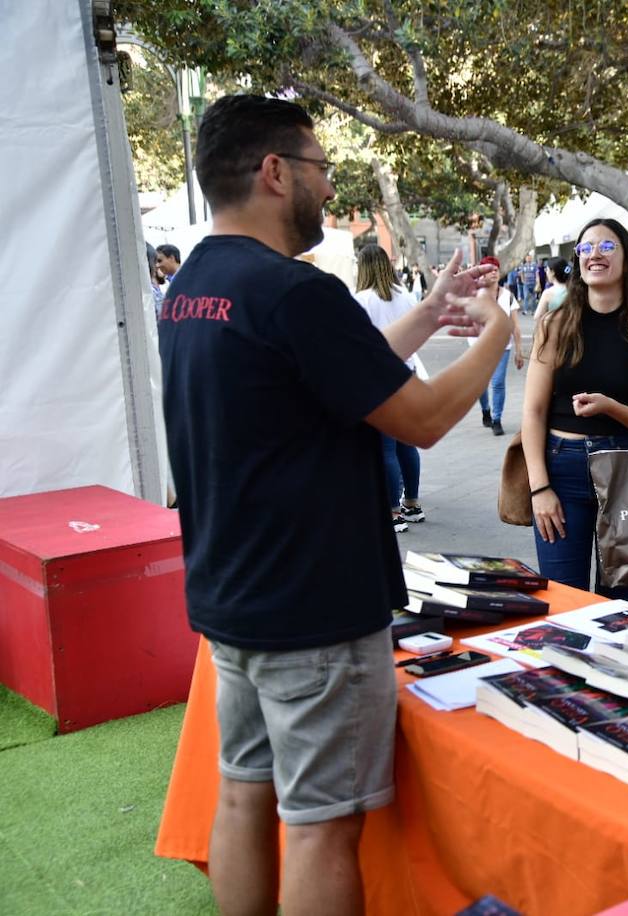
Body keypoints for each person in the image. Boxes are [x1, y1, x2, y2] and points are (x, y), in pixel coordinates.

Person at [158, 94, 510, 916]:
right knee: (322, 826)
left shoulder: (195, 285)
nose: (327, 187)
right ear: (275, 173)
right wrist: (497, 336)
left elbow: (337, 376)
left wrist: (429, 313)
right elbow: (417, 420)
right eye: (321, 169)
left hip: (233, 601)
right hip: (312, 612)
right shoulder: (292, 291)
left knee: (246, 794)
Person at [521, 218, 628, 602]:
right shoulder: (555, 326)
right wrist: (539, 487)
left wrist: (611, 408)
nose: (595, 254)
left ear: (627, 259)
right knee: (562, 601)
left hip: (625, 470)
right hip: (562, 468)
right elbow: (534, 413)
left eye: (607, 247)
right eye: (586, 248)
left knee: (619, 607)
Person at [353, 244, 426, 531]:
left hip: (377, 379)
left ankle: (393, 511)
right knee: (407, 445)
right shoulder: (405, 296)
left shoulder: (360, 300)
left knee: (385, 448)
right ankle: (413, 503)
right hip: (406, 375)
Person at [470, 258, 524, 436]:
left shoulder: (508, 296)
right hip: (480, 347)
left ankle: (496, 419)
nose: (494, 272)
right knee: (479, 384)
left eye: (497, 269)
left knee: (498, 383)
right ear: (482, 272)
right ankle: (486, 409)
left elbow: (515, 325)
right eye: (490, 269)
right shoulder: (474, 294)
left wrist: (519, 350)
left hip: (503, 346)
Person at [532, 256, 572, 325]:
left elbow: (537, 317)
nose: (546, 272)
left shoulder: (548, 293)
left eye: (546, 270)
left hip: (555, 331)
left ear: (552, 272)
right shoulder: (574, 289)